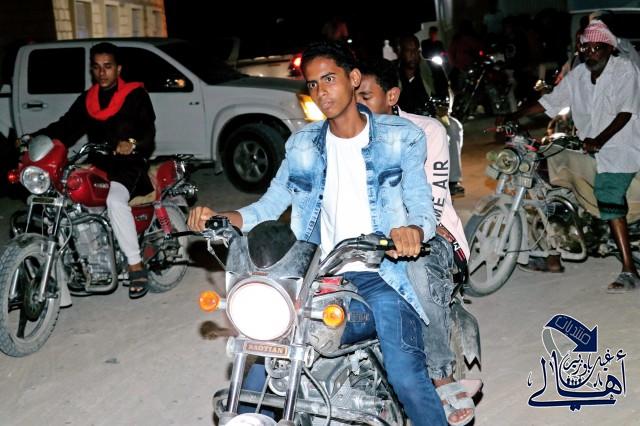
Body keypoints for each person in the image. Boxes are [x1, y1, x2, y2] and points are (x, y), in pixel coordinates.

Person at [189, 41, 447, 425]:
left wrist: (412, 230)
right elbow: (267, 206)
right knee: (262, 365)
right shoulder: (302, 145)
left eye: (329, 79)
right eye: (312, 84)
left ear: (353, 78)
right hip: (316, 275)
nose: (321, 91)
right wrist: (220, 217)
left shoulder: (401, 136)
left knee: (407, 378)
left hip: (383, 276)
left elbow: (421, 205)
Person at [356, 58, 479, 426]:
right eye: (352, 95)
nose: (356, 104)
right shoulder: (343, 137)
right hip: (369, 239)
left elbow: (434, 200)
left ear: (392, 95)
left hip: (432, 234)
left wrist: (408, 231)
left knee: (418, 267)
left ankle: (441, 373)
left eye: (365, 96)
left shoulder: (427, 131)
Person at [503, 19, 640, 292]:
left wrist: (599, 140)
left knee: (608, 191)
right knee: (547, 177)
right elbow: (549, 102)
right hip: (586, 144)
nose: (589, 52)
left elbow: (625, 112)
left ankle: (629, 270)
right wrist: (514, 115)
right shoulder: (578, 75)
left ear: (609, 48)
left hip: (621, 147)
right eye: (585, 48)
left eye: (595, 47)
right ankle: (553, 255)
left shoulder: (625, 70)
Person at [31, 42, 156, 298]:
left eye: (107, 66)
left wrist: (131, 143)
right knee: (68, 198)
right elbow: (65, 126)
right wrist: (34, 138)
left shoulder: (135, 95)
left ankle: (135, 265)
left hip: (129, 165)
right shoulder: (88, 100)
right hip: (99, 164)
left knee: (115, 201)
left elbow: (148, 131)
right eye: (97, 67)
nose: (102, 72)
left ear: (118, 68)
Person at [397, 34, 466, 198]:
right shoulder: (393, 72)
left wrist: (441, 110)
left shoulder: (432, 68)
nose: (413, 55)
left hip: (430, 116)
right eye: (408, 51)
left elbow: (445, 94)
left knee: (453, 128)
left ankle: (452, 181)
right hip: (402, 119)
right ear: (400, 52)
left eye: (416, 51)